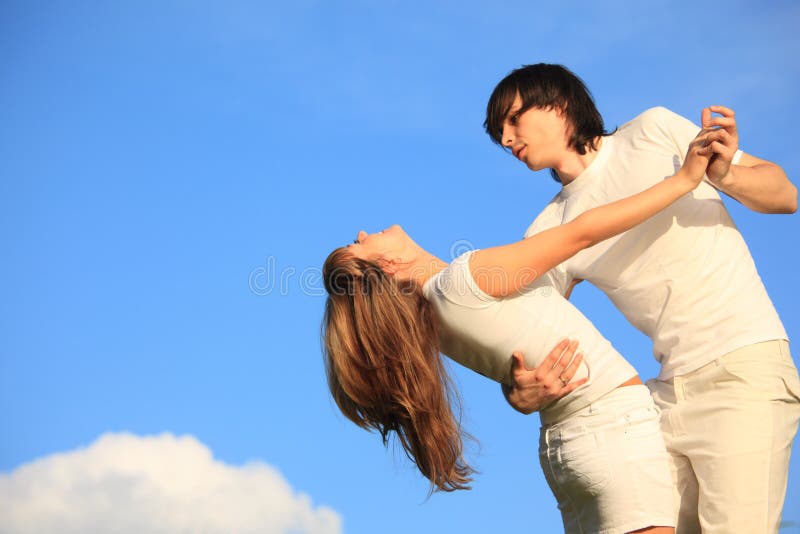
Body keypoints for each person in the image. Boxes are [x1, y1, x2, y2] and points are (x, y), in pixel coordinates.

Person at [322, 132, 713, 534]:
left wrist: (516, 395)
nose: (363, 232)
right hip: (612, 429)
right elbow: (581, 233)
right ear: (387, 268)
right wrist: (683, 180)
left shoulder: (432, 322)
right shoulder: (463, 281)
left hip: (569, 447)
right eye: (358, 244)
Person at [483, 63, 800, 533]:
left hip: (742, 369)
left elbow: (785, 194)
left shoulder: (653, 130)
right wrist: (517, 390)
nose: (507, 140)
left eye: (513, 120)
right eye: (499, 134)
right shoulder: (549, 228)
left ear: (558, 104)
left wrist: (723, 175)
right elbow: (526, 331)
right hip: (662, 400)